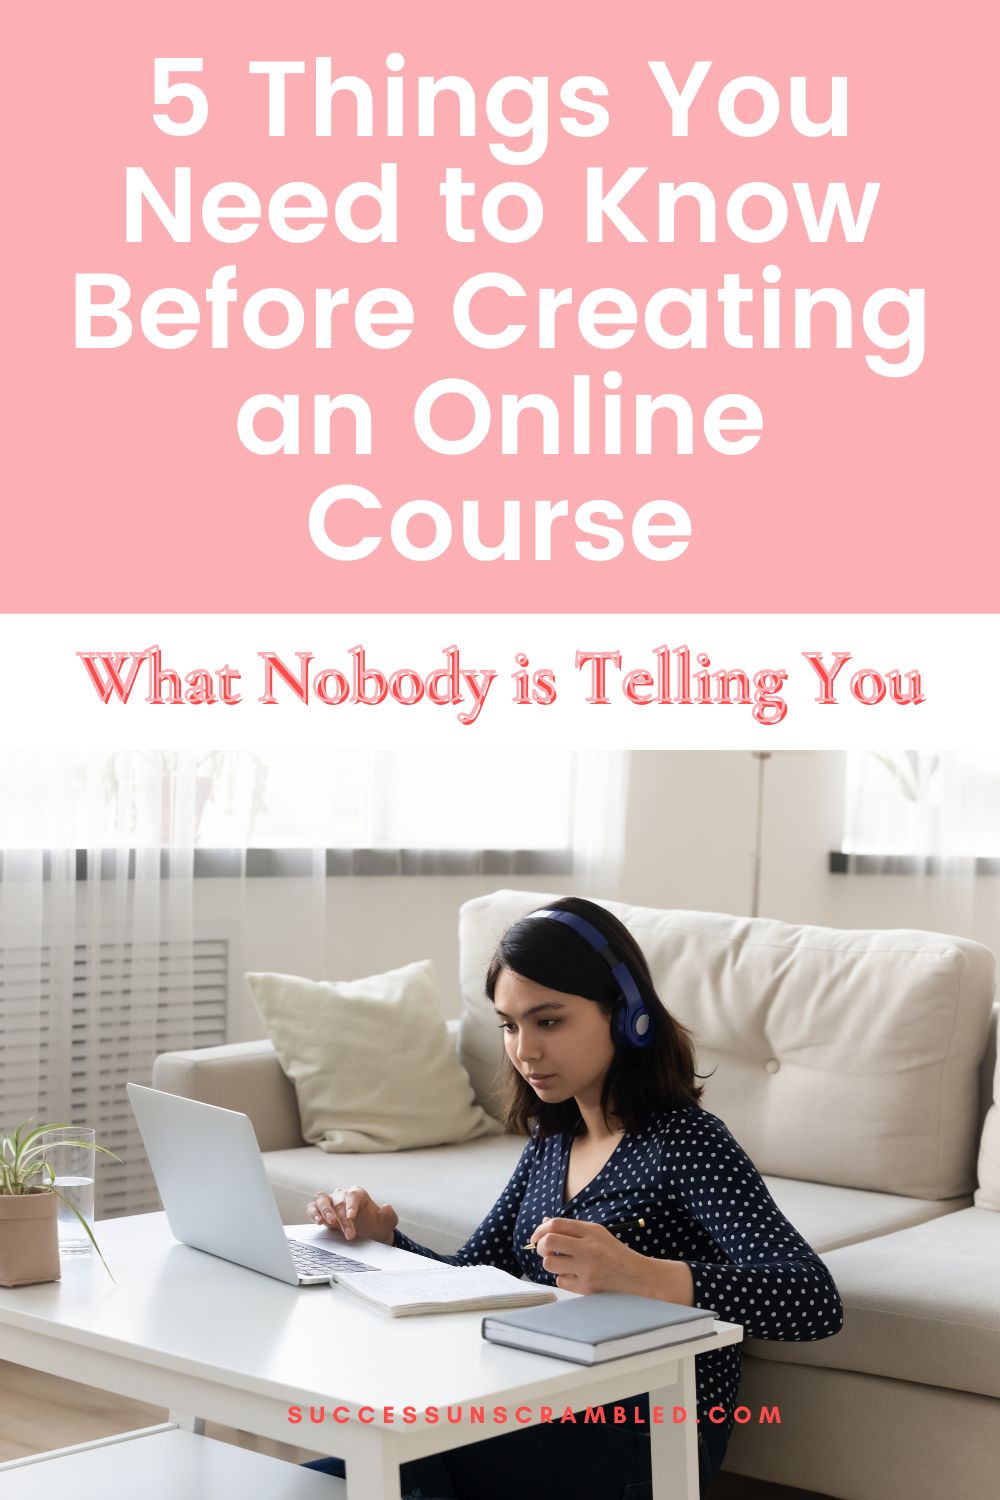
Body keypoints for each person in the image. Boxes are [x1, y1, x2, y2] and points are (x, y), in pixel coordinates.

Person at [304, 897, 845, 1499]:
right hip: (535, 1404)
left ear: (626, 1014)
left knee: (396, 1457)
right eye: (509, 1024)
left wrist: (642, 1275)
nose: (524, 1050)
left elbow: (813, 1300)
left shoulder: (686, 1141)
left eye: (549, 1021)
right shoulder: (554, 1140)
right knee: (351, 1470)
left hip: (646, 1434)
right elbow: (472, 1278)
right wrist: (386, 1238)